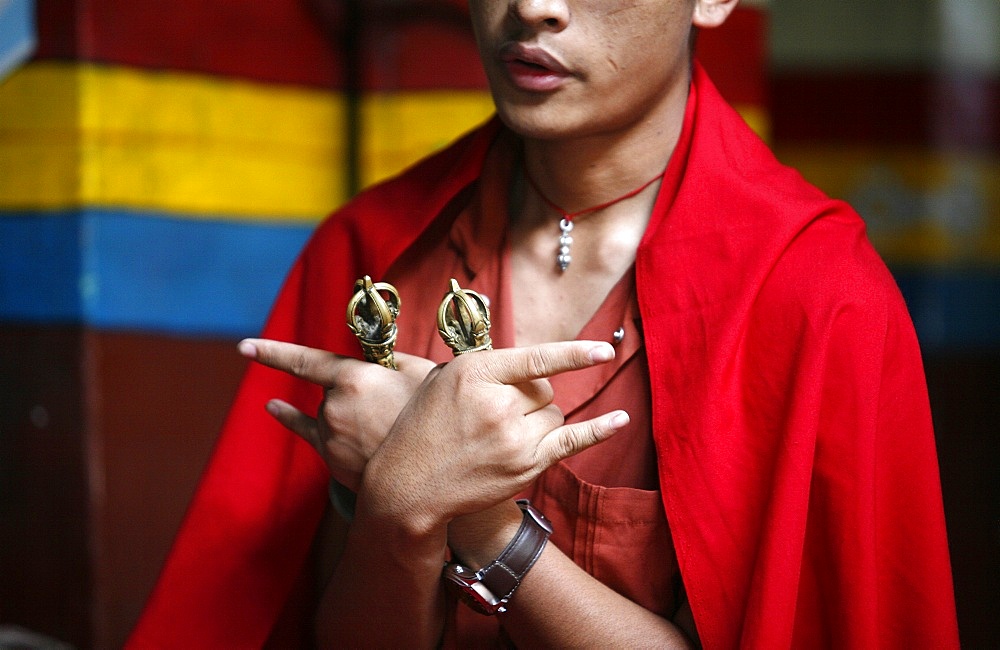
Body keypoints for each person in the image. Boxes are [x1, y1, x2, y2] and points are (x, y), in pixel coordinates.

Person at [129, 0, 960, 647]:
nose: (533, 7)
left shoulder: (817, 296)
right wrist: (393, 513)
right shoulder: (374, 254)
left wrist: (467, 510)